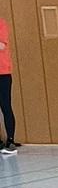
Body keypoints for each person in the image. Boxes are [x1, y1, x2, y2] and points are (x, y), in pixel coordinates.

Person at [0, 17, 18, 155]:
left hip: (3, 73)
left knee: (5, 106)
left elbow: (2, 46)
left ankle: (10, 141)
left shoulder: (1, 23)